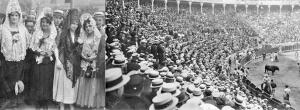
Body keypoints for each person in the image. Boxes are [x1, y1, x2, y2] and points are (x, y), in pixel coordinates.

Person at [0, 0, 30, 108]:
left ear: (19, 16)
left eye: (16, 15)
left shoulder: (23, 29)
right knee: (9, 79)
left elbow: (28, 44)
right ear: (9, 16)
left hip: (20, 59)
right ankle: (10, 100)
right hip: (8, 59)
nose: (14, 18)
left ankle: (18, 100)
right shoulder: (3, 29)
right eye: (12, 15)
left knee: (19, 78)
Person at [28, 7, 59, 109]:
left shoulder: (53, 34)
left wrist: (50, 52)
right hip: (38, 61)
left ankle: (45, 101)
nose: (44, 24)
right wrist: (39, 52)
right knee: (38, 80)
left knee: (47, 81)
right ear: (40, 23)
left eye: (46, 22)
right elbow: (32, 47)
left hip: (48, 62)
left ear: (50, 23)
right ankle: (38, 101)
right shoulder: (37, 33)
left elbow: (55, 47)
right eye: (43, 22)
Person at [53, 9, 81, 110]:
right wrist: (57, 60)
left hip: (74, 62)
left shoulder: (78, 35)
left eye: (76, 24)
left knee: (71, 84)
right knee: (63, 84)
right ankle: (62, 103)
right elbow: (55, 47)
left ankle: (70, 102)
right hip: (63, 61)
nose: (74, 26)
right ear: (68, 23)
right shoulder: (62, 33)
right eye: (73, 23)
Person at [75, 13, 102, 108]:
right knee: (83, 81)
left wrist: (94, 57)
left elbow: (100, 51)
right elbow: (78, 49)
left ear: (93, 26)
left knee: (92, 82)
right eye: (86, 26)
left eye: (90, 26)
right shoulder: (82, 37)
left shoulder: (98, 37)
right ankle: (83, 102)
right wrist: (84, 56)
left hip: (94, 62)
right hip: (84, 62)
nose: (88, 28)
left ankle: (90, 103)